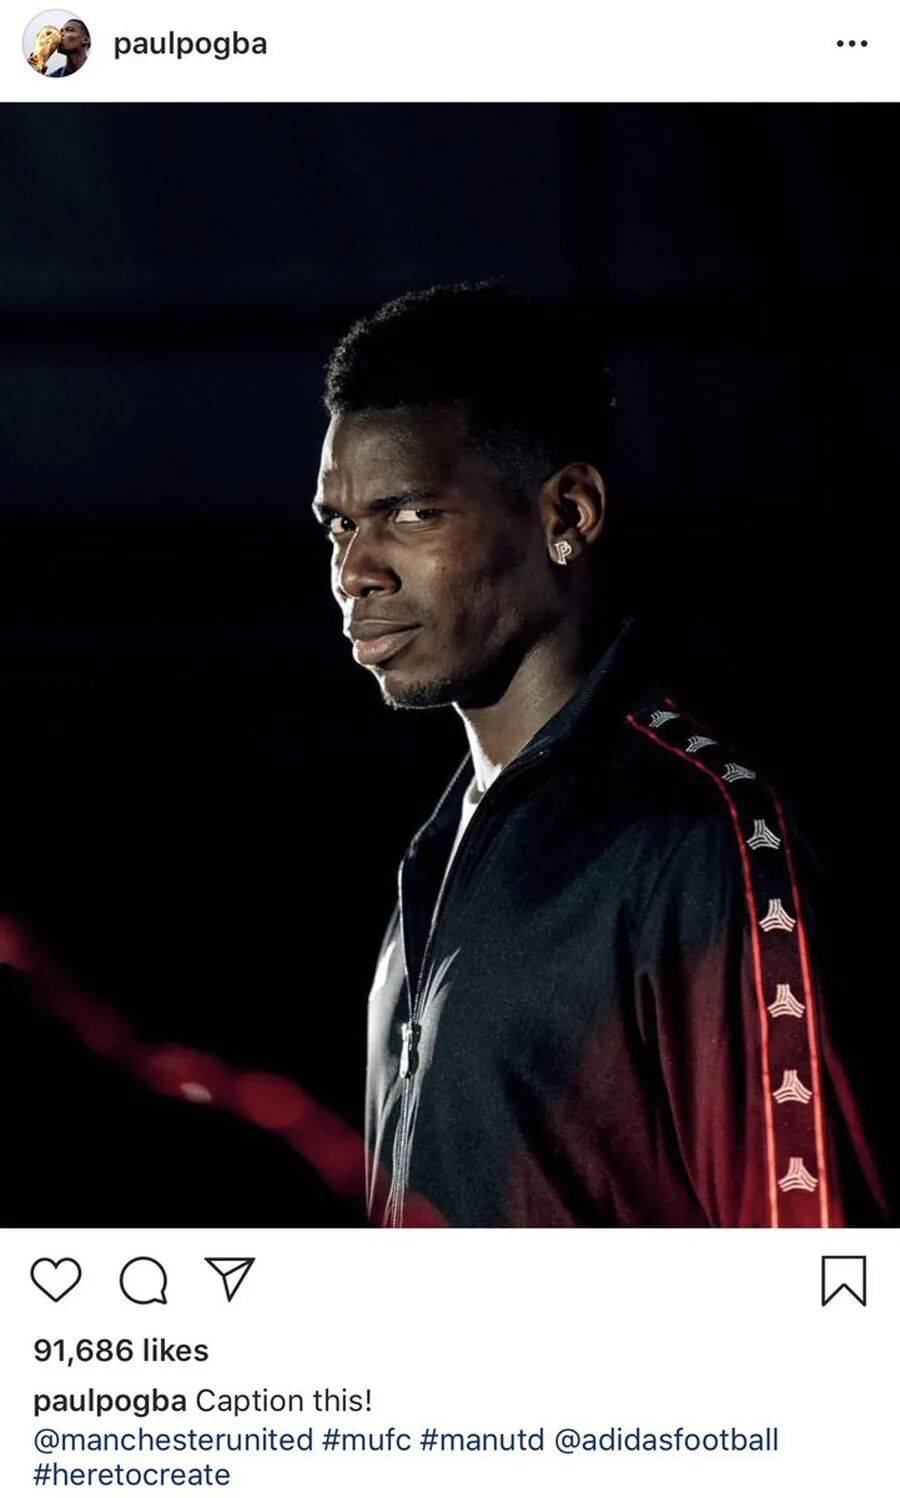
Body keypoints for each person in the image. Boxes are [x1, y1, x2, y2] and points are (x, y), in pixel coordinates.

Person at [314, 281, 887, 1228]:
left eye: (410, 515)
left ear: (569, 514)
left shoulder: (700, 840)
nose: (354, 571)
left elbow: (815, 1257)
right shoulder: (435, 857)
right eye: (339, 524)